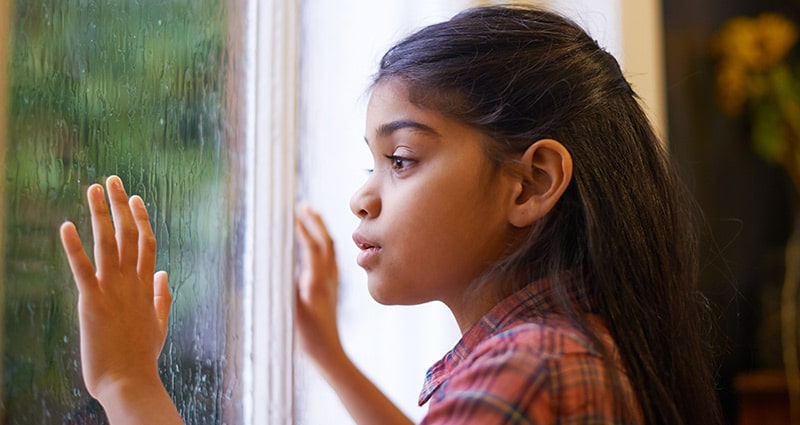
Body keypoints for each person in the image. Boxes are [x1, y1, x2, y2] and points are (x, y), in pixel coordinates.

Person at [60, 5, 722, 424]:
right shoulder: (572, 348)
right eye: (371, 163)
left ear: (530, 183)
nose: (362, 197)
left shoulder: (529, 369)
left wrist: (128, 383)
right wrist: (330, 356)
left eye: (401, 159)